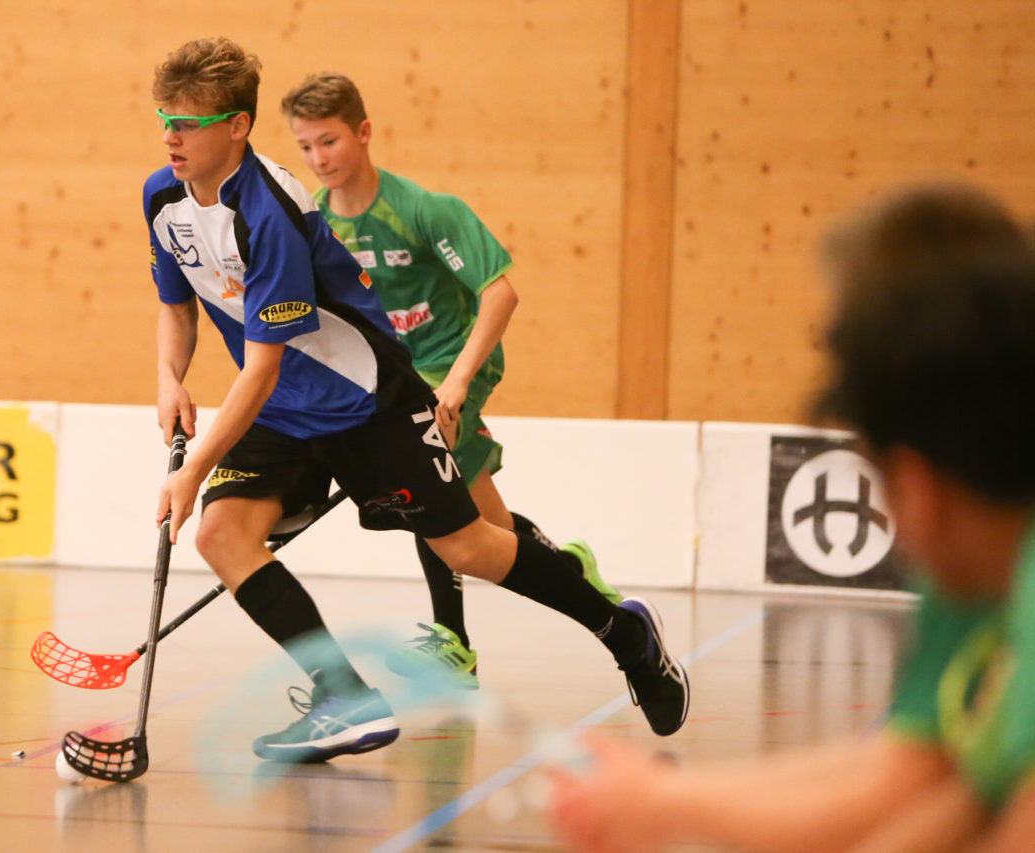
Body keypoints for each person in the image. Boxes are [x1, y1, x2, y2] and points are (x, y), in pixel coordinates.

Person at [145, 37, 690, 763]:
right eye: (164, 120)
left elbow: (263, 368)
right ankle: (342, 695)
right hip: (282, 410)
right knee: (221, 534)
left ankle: (625, 634)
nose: (171, 138)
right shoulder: (162, 195)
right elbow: (179, 305)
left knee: (466, 544)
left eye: (188, 124)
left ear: (236, 126)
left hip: (363, 396)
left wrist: (191, 468)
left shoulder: (269, 213)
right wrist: (169, 376)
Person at [548, 184, 1035, 852]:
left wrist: (665, 805)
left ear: (917, 488)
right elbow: (925, 777)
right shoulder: (977, 579)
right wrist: (663, 801)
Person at [278, 71, 622, 688]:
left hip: (453, 360)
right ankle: (567, 566)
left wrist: (459, 382)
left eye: (328, 141)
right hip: (394, 375)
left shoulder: (424, 210)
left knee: (422, 486)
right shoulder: (319, 226)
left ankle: (454, 643)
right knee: (484, 525)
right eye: (304, 147)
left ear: (363, 132)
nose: (317, 159)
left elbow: (500, 294)